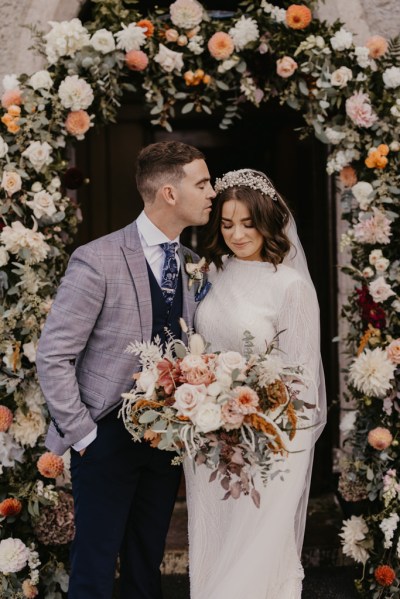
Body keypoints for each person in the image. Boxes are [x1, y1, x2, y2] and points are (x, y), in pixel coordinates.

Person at [36, 140, 216, 599]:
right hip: (104, 437)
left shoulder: (194, 266)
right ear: (170, 194)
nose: (212, 192)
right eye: (203, 183)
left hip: (166, 440)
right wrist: (84, 435)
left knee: (146, 565)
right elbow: (53, 354)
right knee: (94, 569)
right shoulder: (98, 259)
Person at [184, 169, 326, 599]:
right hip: (209, 442)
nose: (237, 234)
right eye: (227, 224)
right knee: (213, 544)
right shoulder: (212, 272)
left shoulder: (290, 287)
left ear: (268, 220)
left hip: (263, 446)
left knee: (255, 556)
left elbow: (300, 385)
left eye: (247, 223)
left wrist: (261, 433)